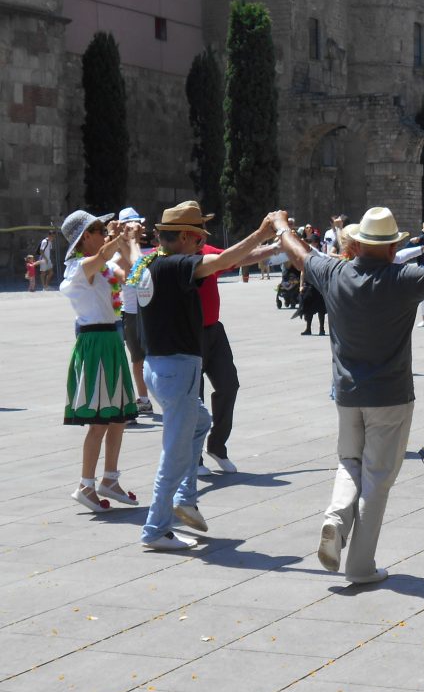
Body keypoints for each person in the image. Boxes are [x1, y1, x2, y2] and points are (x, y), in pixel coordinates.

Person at [272, 207, 424, 585]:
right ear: (391, 249)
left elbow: (299, 254)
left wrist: (279, 226)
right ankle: (359, 565)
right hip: (390, 395)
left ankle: (336, 518)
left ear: (356, 245)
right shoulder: (402, 277)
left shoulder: (335, 271)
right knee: (376, 478)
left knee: (349, 462)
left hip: (347, 393)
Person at [132, 201, 275, 550]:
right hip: (178, 369)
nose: (200, 245)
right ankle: (155, 529)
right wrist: (262, 232)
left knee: (199, 423)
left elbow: (229, 260)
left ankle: (185, 498)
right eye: (198, 238)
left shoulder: (147, 261)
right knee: (175, 453)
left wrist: (129, 239)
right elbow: (225, 261)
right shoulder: (177, 265)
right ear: (183, 236)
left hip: (157, 367)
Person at [58, 210, 140, 513]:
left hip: (111, 341)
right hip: (95, 343)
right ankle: (85, 485)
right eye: (97, 228)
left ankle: (110, 479)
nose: (102, 232)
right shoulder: (79, 268)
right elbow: (104, 256)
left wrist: (127, 242)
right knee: (99, 421)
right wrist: (118, 236)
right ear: (84, 238)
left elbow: (130, 272)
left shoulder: (101, 267)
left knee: (118, 417)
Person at [195, 237, 282, 475]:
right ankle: (193, 457)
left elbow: (240, 256)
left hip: (213, 330)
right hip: (190, 334)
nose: (202, 233)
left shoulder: (206, 249)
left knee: (229, 385)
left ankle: (217, 446)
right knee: (195, 396)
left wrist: (275, 248)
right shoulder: (176, 257)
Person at [116, 207, 153, 417]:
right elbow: (127, 273)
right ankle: (144, 399)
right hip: (130, 310)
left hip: (151, 310)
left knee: (155, 357)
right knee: (137, 358)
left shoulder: (152, 248)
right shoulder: (116, 250)